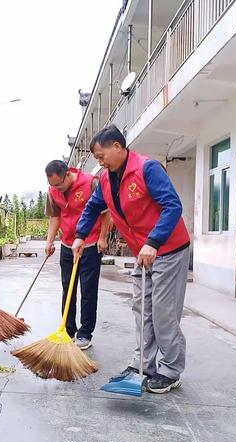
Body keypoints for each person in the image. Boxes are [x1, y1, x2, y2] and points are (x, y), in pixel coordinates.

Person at [72, 125, 190, 394]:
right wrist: (80, 235)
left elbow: (173, 206)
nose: (100, 162)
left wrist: (153, 241)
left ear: (118, 146)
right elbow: (92, 207)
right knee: (142, 310)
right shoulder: (105, 178)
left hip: (168, 249)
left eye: (102, 156)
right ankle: (143, 366)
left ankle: (171, 370)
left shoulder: (147, 169)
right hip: (143, 253)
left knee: (163, 312)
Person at [44, 160, 111, 350]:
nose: (56, 188)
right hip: (67, 243)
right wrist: (49, 241)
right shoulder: (53, 191)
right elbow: (55, 217)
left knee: (88, 289)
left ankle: (85, 333)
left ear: (67, 174)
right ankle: (68, 329)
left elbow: (105, 212)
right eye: (52, 185)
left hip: (89, 243)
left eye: (58, 184)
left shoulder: (91, 182)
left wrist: (103, 237)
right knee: (68, 287)